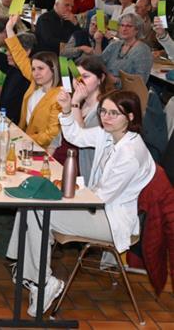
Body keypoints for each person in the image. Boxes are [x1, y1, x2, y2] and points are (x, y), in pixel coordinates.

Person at [8, 90, 154, 318]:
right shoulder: (109, 134)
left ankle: (42, 282)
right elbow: (76, 136)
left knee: (37, 210)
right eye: (104, 111)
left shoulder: (131, 153)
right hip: (97, 207)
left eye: (114, 113)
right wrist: (67, 110)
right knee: (31, 205)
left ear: (131, 117)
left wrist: (68, 193)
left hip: (111, 219)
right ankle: (30, 271)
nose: (106, 117)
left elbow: (102, 197)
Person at [5, 15, 62, 149]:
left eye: (41, 68)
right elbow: (19, 55)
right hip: (23, 142)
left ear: (53, 69)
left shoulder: (60, 96)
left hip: (41, 150)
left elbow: (52, 134)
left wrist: (23, 138)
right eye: (33, 69)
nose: (36, 73)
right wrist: (9, 28)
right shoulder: (35, 83)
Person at [60, 55, 110, 184]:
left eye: (86, 76)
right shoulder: (80, 101)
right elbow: (57, 139)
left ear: (101, 79)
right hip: (63, 163)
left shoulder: (104, 110)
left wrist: (74, 103)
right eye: (76, 76)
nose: (79, 81)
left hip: (82, 174)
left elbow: (79, 137)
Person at [96, 13, 153, 84]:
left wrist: (115, 81)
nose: (124, 29)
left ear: (137, 30)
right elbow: (98, 63)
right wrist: (98, 43)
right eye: (122, 25)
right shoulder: (115, 44)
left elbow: (140, 82)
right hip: (107, 87)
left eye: (129, 26)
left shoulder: (143, 51)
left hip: (127, 93)